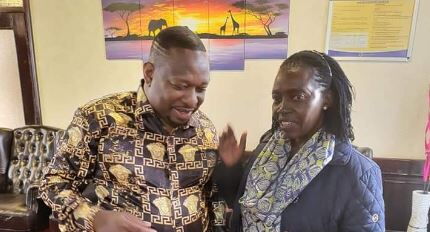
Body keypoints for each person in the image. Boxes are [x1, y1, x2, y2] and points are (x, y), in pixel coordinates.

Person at [40, 26, 228, 232]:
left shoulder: (206, 130)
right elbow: (53, 182)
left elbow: (212, 195)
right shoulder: (99, 118)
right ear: (149, 73)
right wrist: (94, 218)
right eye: (180, 86)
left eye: (201, 89)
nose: (193, 100)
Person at [218, 50, 385, 232]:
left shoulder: (357, 173)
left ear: (326, 99)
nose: (282, 108)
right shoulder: (265, 151)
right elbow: (240, 204)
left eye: (298, 97)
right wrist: (231, 167)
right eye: (277, 99)